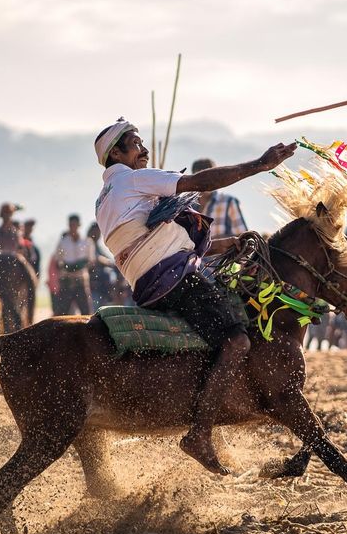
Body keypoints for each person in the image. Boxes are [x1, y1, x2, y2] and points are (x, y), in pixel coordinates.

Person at [93, 117, 295, 475]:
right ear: (118, 153)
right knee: (237, 341)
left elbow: (158, 245)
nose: (144, 150)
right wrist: (261, 165)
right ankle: (200, 434)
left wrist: (227, 244)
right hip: (176, 282)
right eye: (137, 144)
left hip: (151, 287)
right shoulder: (134, 178)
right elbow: (200, 183)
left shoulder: (104, 198)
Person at [193, 158, 250, 240]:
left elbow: (243, 236)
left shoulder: (229, 202)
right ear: (193, 179)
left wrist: (216, 242)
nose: (207, 182)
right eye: (202, 178)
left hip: (223, 253)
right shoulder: (187, 205)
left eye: (211, 176)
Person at [53, 214, 95, 316]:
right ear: (68, 225)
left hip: (81, 280)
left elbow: (91, 261)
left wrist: (81, 265)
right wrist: (66, 266)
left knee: (86, 312)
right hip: (66, 280)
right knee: (62, 313)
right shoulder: (63, 242)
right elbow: (58, 261)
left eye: (75, 224)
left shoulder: (87, 242)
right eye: (71, 225)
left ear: (79, 225)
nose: (73, 227)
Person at [87, 221, 117, 310]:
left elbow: (108, 258)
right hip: (92, 276)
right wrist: (108, 262)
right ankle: (110, 297)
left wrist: (112, 263)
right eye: (97, 232)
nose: (98, 234)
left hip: (100, 279)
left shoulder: (98, 246)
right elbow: (96, 259)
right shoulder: (88, 243)